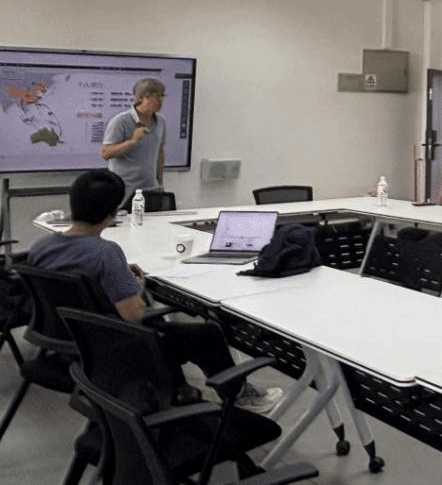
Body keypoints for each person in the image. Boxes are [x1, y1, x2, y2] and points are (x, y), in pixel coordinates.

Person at [28, 168, 282, 413]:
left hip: (70, 339)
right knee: (206, 334)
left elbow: (78, 282)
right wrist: (136, 288)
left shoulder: (42, 247)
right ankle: (240, 396)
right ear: (112, 213)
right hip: (113, 346)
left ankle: (180, 388)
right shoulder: (106, 253)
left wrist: (119, 277)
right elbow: (134, 315)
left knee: (165, 326)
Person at [100, 77, 167, 200]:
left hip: (151, 189)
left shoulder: (161, 122)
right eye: (155, 96)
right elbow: (106, 153)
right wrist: (132, 142)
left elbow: (159, 153)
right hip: (124, 191)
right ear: (141, 97)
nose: (160, 100)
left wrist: (160, 183)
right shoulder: (120, 121)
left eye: (162, 96)